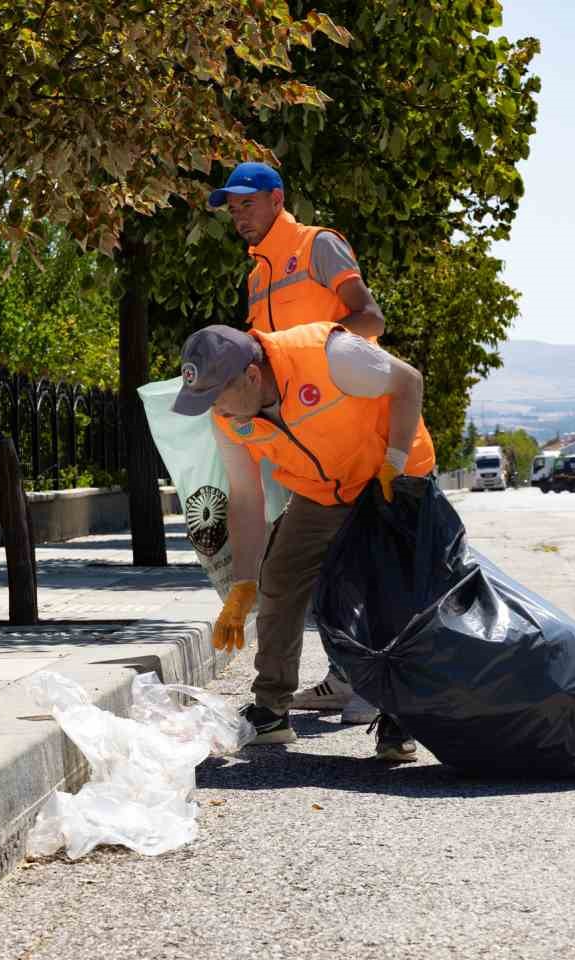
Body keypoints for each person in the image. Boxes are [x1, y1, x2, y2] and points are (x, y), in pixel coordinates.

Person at [170, 320, 435, 761]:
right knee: (279, 575)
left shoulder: (330, 355)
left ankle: (398, 714)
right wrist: (241, 584)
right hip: (323, 487)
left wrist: (394, 460)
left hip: (391, 474)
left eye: (217, 396)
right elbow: (247, 499)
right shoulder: (229, 418)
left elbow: (409, 381)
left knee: (389, 589)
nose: (214, 409)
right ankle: (271, 711)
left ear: (253, 376)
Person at [208, 161, 384, 723]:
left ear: (277, 197)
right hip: (309, 453)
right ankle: (280, 704)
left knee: (374, 577)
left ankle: (385, 700)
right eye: (231, 208)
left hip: (355, 433)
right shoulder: (257, 277)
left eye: (247, 203)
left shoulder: (317, 246)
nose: (238, 216)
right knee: (290, 574)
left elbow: (370, 318)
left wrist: (314, 360)